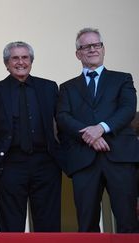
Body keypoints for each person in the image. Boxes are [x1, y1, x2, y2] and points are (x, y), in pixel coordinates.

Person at [56, 27, 139, 233]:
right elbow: (63, 116)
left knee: (127, 220)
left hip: (119, 157)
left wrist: (101, 128)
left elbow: (128, 109)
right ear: (78, 54)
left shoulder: (123, 79)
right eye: (86, 46)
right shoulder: (67, 87)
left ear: (103, 49)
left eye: (97, 45)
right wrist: (90, 136)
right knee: (86, 223)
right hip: (84, 160)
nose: (92, 49)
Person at [0, 41, 61, 232]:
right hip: (9, 165)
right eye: (15, 58)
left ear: (31, 61)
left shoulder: (49, 88)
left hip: (46, 165)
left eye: (25, 57)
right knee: (11, 228)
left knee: (49, 227)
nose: (20, 62)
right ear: (6, 64)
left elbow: (63, 124)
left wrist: (61, 155)